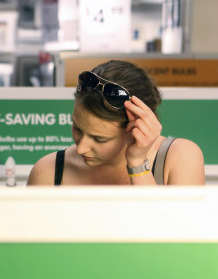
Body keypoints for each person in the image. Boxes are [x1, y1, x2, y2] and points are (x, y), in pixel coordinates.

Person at [27, 60, 204, 186]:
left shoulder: (180, 158)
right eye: (78, 129)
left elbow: (166, 235)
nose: (81, 148)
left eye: (99, 139)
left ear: (136, 128)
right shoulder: (48, 171)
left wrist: (137, 164)